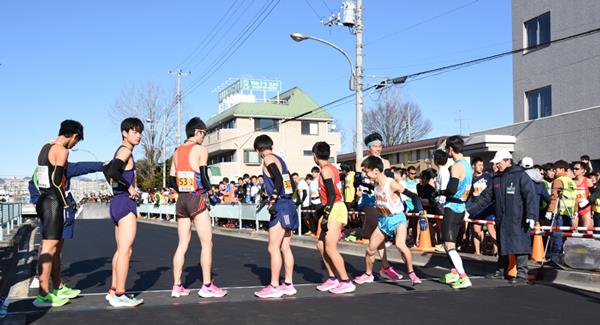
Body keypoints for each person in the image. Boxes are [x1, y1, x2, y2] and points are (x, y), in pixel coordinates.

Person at [169, 117, 227, 299]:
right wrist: (211, 193)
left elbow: (171, 180)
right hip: (196, 198)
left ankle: (177, 286)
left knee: (182, 244)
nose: (204, 137)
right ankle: (207, 285)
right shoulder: (200, 149)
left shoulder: (177, 151)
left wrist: (183, 190)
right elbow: (203, 174)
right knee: (206, 243)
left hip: (182, 199)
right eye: (204, 133)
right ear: (198, 132)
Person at [33, 120, 84, 307]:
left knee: (52, 248)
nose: (74, 145)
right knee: (49, 248)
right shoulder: (62, 150)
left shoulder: (44, 146)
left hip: (43, 199)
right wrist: (65, 204)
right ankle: (43, 294)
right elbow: (57, 182)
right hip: (54, 202)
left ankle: (56, 288)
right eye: (76, 141)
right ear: (74, 136)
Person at [468, 150, 538, 284]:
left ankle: (522, 275)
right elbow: (485, 198)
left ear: (507, 161)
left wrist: (531, 215)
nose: (497, 166)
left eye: (498, 163)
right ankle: (501, 271)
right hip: (502, 218)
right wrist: (469, 210)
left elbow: (530, 196)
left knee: (520, 245)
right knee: (503, 244)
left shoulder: (520, 176)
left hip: (519, 218)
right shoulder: (496, 179)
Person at [354, 156, 423, 286]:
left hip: (397, 219)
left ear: (375, 171)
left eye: (367, 172)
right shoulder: (374, 183)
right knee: (370, 249)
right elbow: (361, 184)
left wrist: (421, 214)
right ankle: (368, 274)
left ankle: (412, 273)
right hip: (383, 221)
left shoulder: (391, 184)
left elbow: (414, 196)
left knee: (400, 245)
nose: (366, 175)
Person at [104, 117, 144, 307]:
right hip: (124, 204)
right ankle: (120, 293)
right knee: (126, 251)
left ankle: (113, 290)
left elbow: (110, 170)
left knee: (121, 250)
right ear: (124, 133)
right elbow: (112, 171)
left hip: (116, 203)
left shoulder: (121, 151)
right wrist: (129, 188)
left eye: (139, 132)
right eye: (134, 131)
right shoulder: (125, 150)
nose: (138, 135)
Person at [253, 135, 298, 298]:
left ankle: (274, 286)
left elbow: (278, 179)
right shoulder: (281, 160)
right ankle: (288, 284)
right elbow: (289, 182)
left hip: (280, 205)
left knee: (273, 247)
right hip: (289, 204)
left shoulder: (268, 159)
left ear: (258, 150)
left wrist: (272, 199)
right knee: (285, 247)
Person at [354, 132, 402, 280]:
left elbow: (388, 182)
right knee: (376, 230)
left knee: (374, 234)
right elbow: (358, 183)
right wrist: (358, 192)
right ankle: (385, 267)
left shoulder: (385, 163)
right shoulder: (361, 162)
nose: (378, 148)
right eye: (375, 146)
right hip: (368, 199)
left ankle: (384, 267)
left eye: (380, 145)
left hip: (381, 200)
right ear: (369, 147)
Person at [313, 142, 355, 294]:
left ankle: (346, 281)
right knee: (321, 245)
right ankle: (332, 278)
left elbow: (332, 194)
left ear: (315, 155)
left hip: (335, 207)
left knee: (330, 247)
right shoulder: (331, 168)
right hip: (333, 207)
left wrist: (325, 215)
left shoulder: (325, 170)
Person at [437, 135, 473, 289]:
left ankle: (463, 276)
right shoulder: (468, 165)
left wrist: (439, 193)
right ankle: (454, 272)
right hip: (461, 207)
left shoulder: (457, 166)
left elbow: (452, 188)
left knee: (449, 245)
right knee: (451, 244)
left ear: (451, 149)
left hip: (452, 207)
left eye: (447, 149)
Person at [544, 160, 579, 263]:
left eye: (556, 170)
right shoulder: (571, 181)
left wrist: (550, 210)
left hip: (559, 213)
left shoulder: (558, 181)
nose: (554, 172)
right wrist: (575, 211)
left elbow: (554, 197)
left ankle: (555, 258)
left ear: (562, 169)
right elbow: (575, 198)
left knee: (557, 235)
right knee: (565, 236)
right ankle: (564, 257)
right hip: (569, 213)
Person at [468, 157, 496, 256]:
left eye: (482, 165)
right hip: (475, 208)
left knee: (491, 228)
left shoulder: (488, 177)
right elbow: (468, 194)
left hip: (487, 207)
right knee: (476, 230)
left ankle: (496, 250)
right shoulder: (470, 179)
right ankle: (478, 251)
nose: (481, 167)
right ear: (473, 166)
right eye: (479, 165)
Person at [573, 161, 594, 231]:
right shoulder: (571, 181)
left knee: (588, 230)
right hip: (574, 208)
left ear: (582, 170)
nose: (574, 170)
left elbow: (594, 194)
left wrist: (593, 209)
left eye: (576, 169)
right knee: (573, 230)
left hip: (585, 208)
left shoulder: (587, 181)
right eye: (573, 168)